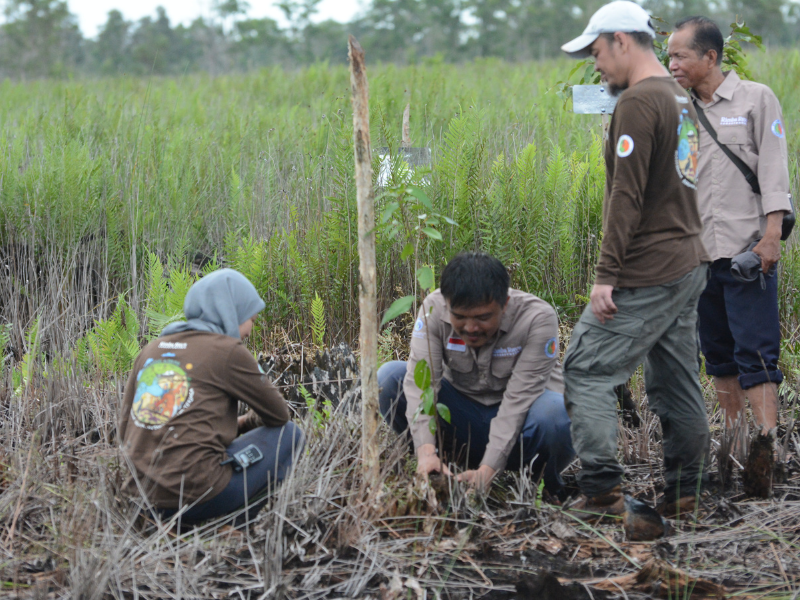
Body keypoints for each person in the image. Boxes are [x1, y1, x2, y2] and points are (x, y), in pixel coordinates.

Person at [560, 0, 711, 520]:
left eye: (597, 51)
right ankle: (685, 492)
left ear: (622, 41)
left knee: (585, 368)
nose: (595, 63)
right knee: (674, 377)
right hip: (690, 258)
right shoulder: (680, 97)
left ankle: (602, 493)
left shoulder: (639, 102)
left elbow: (627, 195)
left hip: (651, 266)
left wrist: (607, 277)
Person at [667, 17, 792, 457]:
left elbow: (775, 170)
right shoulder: (681, 111)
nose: (673, 64)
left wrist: (772, 236)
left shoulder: (756, 99)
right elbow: (680, 183)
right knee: (717, 354)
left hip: (748, 252)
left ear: (710, 57)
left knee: (756, 353)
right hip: (700, 257)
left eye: (680, 55)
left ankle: (766, 445)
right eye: (669, 56)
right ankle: (736, 442)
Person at [378, 252, 575, 495]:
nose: (470, 328)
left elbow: (519, 400)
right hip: (462, 418)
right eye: (459, 317)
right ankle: (437, 468)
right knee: (389, 378)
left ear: (505, 304)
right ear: (447, 304)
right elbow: (423, 386)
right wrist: (426, 451)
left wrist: (488, 471)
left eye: (483, 317)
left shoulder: (537, 318)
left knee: (559, 412)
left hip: (523, 427)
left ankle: (545, 486)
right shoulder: (433, 308)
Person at [119, 268, 304, 525]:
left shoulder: (151, 349)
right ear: (232, 313)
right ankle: (233, 523)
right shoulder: (227, 350)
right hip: (197, 498)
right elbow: (278, 415)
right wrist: (245, 424)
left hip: (140, 501)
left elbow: (123, 431)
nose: (251, 327)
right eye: (251, 317)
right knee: (291, 433)